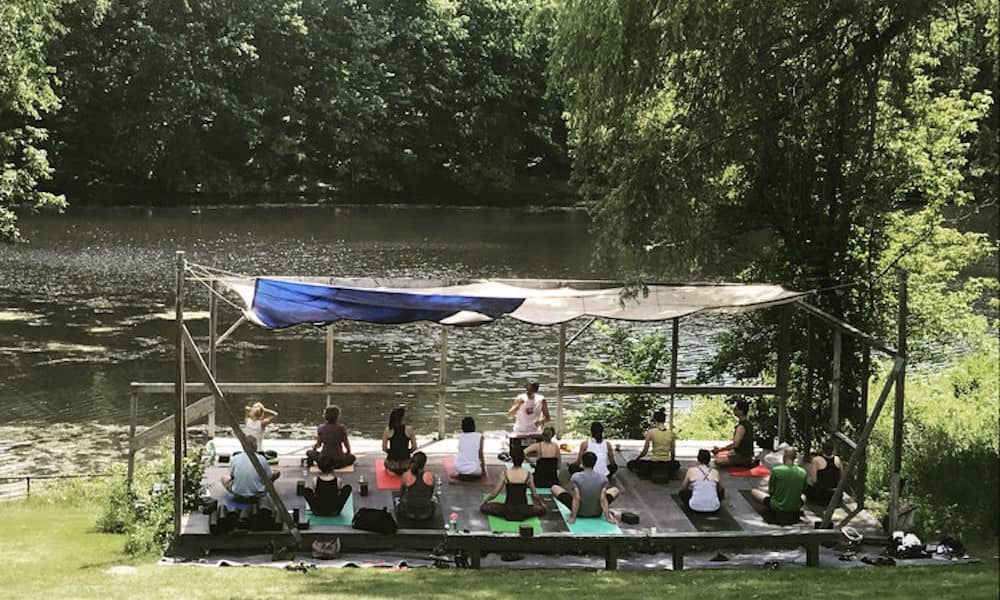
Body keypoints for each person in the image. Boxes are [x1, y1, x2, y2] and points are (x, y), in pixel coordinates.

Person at [553, 451, 620, 524]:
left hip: (580, 512)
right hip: (596, 512)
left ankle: (576, 513)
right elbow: (602, 499)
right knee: (615, 490)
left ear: (582, 462)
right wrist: (608, 518)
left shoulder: (576, 477)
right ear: (595, 463)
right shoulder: (603, 478)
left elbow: (577, 498)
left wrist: (573, 517)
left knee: (555, 488)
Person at [480, 447, 546, 521]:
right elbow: (535, 495)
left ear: (512, 459)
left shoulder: (505, 473)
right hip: (524, 510)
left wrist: (484, 501)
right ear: (523, 459)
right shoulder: (528, 474)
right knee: (541, 509)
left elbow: (494, 494)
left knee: (485, 507)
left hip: (508, 510)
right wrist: (541, 504)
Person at [751, 447, 807, 522]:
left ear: (784, 456)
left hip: (777, 507)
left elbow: (771, 490)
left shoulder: (777, 470)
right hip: (795, 508)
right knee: (804, 496)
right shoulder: (803, 472)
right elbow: (802, 490)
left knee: (754, 492)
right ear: (795, 458)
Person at [221, 437, 280, 502]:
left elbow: (232, 476)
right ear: (256, 447)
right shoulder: (262, 459)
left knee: (224, 477)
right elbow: (269, 476)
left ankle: (241, 489)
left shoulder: (236, 458)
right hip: (258, 494)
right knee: (276, 473)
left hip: (238, 493)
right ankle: (258, 489)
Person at [627, 409, 681, 481]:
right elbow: (673, 452)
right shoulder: (671, 433)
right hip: (667, 463)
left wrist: (638, 458)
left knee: (631, 464)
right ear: (664, 421)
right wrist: (672, 462)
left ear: (655, 420)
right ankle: (669, 472)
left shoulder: (651, 432)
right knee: (676, 464)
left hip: (654, 462)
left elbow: (645, 450)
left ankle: (648, 473)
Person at [306, 405, 356, 470]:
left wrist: (314, 448)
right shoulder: (341, 428)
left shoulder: (321, 428)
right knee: (352, 457)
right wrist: (348, 452)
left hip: (324, 459)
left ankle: (325, 465)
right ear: (337, 416)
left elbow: (318, 444)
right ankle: (335, 466)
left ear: (325, 416)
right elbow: (346, 444)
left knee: (309, 452)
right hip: (339, 459)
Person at [397, 451, 439, 522]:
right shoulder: (430, 475)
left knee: (398, 502)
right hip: (427, 514)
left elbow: (401, 494)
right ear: (424, 463)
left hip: (408, 513)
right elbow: (430, 495)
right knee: (434, 500)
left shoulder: (406, 475)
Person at [713, 400, 756, 467]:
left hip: (742, 456)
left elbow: (735, 444)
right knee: (727, 454)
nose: (734, 410)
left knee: (717, 461)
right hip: (747, 455)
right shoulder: (749, 424)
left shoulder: (741, 427)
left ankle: (742, 462)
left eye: (736, 409)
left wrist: (720, 450)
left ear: (741, 411)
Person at [805, 439, 842, 505]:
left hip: (822, 496)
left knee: (806, 487)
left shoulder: (816, 460)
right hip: (836, 496)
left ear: (822, 449)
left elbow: (814, 480)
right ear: (832, 449)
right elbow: (841, 477)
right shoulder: (837, 459)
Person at [382, 406, 417, 475]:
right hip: (406, 465)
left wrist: (391, 452)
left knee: (386, 463)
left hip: (392, 466)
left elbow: (384, 448)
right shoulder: (409, 429)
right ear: (402, 417)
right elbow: (414, 447)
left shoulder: (388, 430)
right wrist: (407, 452)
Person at [452, 416, 486, 481]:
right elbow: (480, 454)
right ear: (474, 426)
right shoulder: (480, 436)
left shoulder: (461, 436)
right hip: (475, 470)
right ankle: (471, 475)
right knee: (476, 470)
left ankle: (462, 474)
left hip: (459, 468)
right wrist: (483, 470)